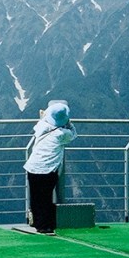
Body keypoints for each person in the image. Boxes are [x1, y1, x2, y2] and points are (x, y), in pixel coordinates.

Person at [23, 100, 76, 235]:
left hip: (33, 166)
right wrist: (69, 123)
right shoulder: (62, 134)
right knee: (45, 197)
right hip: (48, 169)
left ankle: (36, 222)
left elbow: (43, 120)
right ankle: (45, 226)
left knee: (35, 196)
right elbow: (73, 134)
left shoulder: (41, 126)